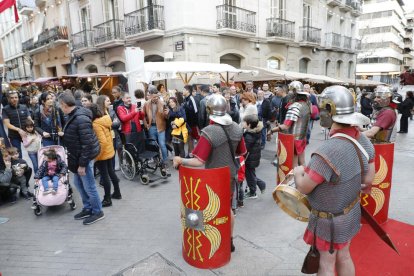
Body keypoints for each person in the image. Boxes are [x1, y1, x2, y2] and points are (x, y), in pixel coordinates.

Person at [294, 85, 375, 275]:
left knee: (326, 264)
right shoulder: (362, 139)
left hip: (329, 220)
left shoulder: (328, 151)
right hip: (349, 212)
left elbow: (304, 187)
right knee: (345, 256)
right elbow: (369, 179)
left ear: (330, 111)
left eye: (323, 108)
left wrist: (298, 171)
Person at [173, 94, 247, 252]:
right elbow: (241, 152)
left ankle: (215, 242)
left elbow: (199, 161)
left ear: (209, 111)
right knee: (227, 208)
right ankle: (229, 240)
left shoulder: (209, 131)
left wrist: (181, 160)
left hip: (214, 177)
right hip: (231, 174)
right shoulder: (237, 127)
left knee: (212, 209)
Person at [58, 91, 104, 225]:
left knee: (89, 186)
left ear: (64, 104)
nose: (60, 108)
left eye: (60, 106)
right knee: (79, 183)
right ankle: (88, 208)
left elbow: (87, 144)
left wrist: (83, 164)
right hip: (77, 157)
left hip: (83, 158)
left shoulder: (80, 118)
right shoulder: (73, 115)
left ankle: (97, 211)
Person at [268, 81, 311, 167]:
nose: (289, 93)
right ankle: (303, 178)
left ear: (294, 93)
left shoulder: (295, 106)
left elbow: (286, 126)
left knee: (293, 165)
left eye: (290, 91)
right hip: (302, 138)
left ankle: (295, 180)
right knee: (302, 162)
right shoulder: (306, 104)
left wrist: (271, 130)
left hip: (294, 139)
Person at [91, 103, 121, 207]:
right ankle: (117, 192)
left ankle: (107, 199)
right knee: (110, 172)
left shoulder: (95, 124)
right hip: (109, 150)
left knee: (105, 176)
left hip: (102, 153)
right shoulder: (106, 119)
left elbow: (102, 142)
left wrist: (97, 156)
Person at [242, 113, 266, 199]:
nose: (242, 123)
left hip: (249, 159)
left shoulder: (249, 136)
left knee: (249, 175)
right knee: (250, 174)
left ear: (249, 125)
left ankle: (253, 192)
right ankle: (260, 184)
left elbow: (245, 149)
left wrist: (242, 158)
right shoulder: (253, 132)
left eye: (244, 122)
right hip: (253, 158)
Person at [143, 86, 169, 164]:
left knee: (162, 144)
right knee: (153, 144)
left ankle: (165, 160)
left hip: (161, 127)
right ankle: (156, 159)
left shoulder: (162, 103)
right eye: (154, 97)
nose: (156, 98)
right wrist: (146, 125)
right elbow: (143, 115)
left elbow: (166, 117)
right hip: (151, 127)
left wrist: (167, 114)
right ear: (150, 96)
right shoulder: (146, 104)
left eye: (157, 97)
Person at [2, 91, 31, 158]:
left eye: (16, 97)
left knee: (32, 152)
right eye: (12, 98)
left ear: (18, 98)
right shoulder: (5, 109)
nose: (14, 99)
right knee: (17, 154)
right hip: (14, 136)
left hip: (26, 134)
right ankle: (21, 167)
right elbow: (7, 124)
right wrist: (18, 130)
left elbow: (29, 119)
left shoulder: (23, 107)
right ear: (8, 99)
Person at [182, 85, 199, 156]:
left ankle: (198, 153)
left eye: (183, 90)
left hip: (193, 124)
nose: (182, 91)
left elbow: (196, 111)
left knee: (197, 139)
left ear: (187, 91)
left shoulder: (191, 99)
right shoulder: (185, 99)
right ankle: (190, 154)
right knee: (190, 139)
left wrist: (194, 125)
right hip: (188, 123)